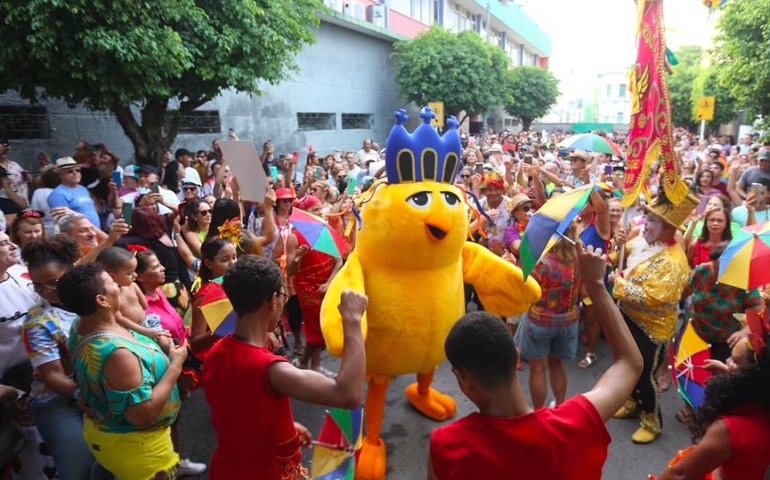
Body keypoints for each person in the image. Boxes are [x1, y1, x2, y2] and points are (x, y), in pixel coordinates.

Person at [428, 245, 643, 480]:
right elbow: (630, 364)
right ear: (517, 357)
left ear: (464, 380)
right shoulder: (575, 422)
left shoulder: (448, 446)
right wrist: (597, 286)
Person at [201, 255, 366, 479]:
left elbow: (237, 409)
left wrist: (283, 428)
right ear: (272, 300)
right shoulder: (270, 369)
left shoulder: (216, 351)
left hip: (228, 468)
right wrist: (353, 320)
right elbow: (348, 394)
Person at [59, 263, 187, 480]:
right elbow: (141, 415)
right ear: (101, 300)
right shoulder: (118, 355)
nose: (119, 285)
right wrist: (175, 365)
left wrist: (150, 335)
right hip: (139, 448)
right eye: (111, 283)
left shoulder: (82, 323)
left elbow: (116, 320)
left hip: (110, 432)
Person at [612, 192, 697, 443]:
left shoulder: (674, 261)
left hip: (652, 329)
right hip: (628, 317)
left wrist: (618, 284)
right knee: (629, 366)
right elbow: (624, 259)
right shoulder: (642, 240)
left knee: (644, 374)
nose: (644, 224)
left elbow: (651, 297)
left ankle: (652, 420)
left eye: (651, 220)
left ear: (668, 228)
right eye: (646, 217)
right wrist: (618, 247)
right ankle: (632, 402)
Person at [20, 236, 97, 479]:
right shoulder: (38, 322)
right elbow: (52, 375)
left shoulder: (94, 297)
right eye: (38, 286)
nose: (47, 292)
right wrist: (82, 396)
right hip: (60, 400)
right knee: (79, 469)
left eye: (54, 282)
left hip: (103, 390)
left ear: (72, 269)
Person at [653, 327, 770, 479]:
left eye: (734, 361)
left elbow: (680, 475)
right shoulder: (762, 404)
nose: (726, 361)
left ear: (752, 377)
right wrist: (730, 372)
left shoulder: (730, 428)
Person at [514, 224, 581, 408]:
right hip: (567, 321)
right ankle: (560, 406)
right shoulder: (579, 259)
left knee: (538, 369)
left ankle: (538, 413)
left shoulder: (542, 262)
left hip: (540, 322)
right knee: (556, 364)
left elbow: (526, 290)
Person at [285, 196, 342, 376]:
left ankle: (302, 362)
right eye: (315, 210)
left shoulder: (325, 232)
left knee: (323, 327)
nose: (320, 213)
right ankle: (315, 365)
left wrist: (328, 283)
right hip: (307, 289)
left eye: (320, 209)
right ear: (305, 214)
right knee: (318, 328)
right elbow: (290, 271)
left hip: (327, 286)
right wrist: (297, 258)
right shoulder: (294, 238)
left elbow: (338, 261)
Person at [97, 247, 177, 342]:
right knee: (164, 343)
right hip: (133, 330)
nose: (135, 275)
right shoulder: (112, 296)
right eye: (129, 273)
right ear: (111, 276)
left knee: (167, 341)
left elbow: (144, 305)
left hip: (148, 321)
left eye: (134, 271)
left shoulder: (133, 285)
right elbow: (120, 319)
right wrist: (146, 332)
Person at [47, 157, 100, 229]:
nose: (75, 173)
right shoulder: (58, 194)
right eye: (70, 171)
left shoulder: (83, 189)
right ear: (61, 175)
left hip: (95, 231)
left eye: (77, 170)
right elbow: (62, 221)